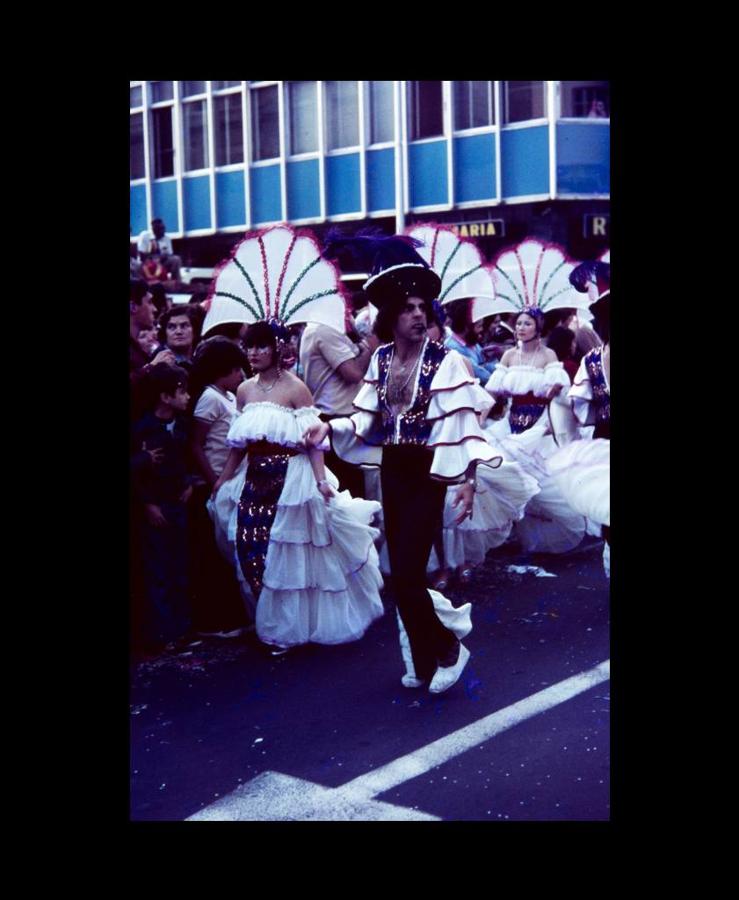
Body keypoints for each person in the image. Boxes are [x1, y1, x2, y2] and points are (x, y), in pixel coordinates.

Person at [305, 232, 505, 694]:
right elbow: (364, 417)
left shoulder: (447, 362)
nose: (418, 315)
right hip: (393, 469)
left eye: (423, 308)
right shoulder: (380, 358)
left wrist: (468, 483)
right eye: (408, 308)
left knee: (411, 575)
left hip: (427, 470)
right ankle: (422, 662)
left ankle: (449, 649)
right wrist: (327, 429)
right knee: (400, 575)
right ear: (390, 317)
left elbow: (462, 426)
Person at [210, 320, 384, 653]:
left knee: (286, 556)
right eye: (250, 346)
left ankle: (287, 629)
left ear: (276, 349)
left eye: (262, 346)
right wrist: (223, 478)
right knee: (250, 546)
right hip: (253, 480)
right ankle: (267, 618)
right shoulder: (244, 390)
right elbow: (238, 443)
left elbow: (312, 441)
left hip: (290, 478)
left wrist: (320, 481)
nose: (255, 353)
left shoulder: (296, 388)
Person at [131, 363, 199, 656]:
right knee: (158, 570)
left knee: (179, 566)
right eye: (181, 391)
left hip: (178, 502)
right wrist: (147, 504)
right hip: (156, 507)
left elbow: (188, 459)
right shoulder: (142, 429)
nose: (187, 397)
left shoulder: (184, 426)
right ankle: (164, 632)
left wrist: (190, 484)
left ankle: (183, 629)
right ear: (165, 397)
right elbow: (135, 474)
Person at [188, 338, 252, 637]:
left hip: (231, 479)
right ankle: (221, 620)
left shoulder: (226, 396)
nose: (241, 375)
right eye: (236, 369)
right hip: (217, 481)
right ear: (221, 370)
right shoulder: (210, 399)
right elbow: (197, 444)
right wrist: (214, 480)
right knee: (219, 551)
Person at [299, 316, 379, 498]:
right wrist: (369, 346)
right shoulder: (324, 329)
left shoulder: (323, 328)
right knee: (348, 496)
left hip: (341, 419)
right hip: (335, 421)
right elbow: (353, 373)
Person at [444, 298, 498, 383]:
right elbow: (483, 376)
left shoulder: (472, 343)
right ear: (466, 326)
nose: (481, 330)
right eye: (479, 326)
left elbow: (492, 367)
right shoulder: (452, 347)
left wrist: (490, 358)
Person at [154, 305, 199, 370]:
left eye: (184, 326)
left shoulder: (200, 359)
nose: (178, 332)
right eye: (172, 327)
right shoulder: (158, 362)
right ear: (164, 332)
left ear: (194, 330)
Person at [137, 218, 182, 283]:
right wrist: (154, 258)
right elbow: (142, 255)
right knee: (139, 265)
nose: (163, 231)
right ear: (154, 229)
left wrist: (161, 258)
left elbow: (170, 254)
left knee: (176, 259)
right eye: (161, 229)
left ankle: (175, 282)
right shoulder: (144, 236)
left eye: (164, 228)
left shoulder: (167, 238)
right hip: (145, 264)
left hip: (161, 262)